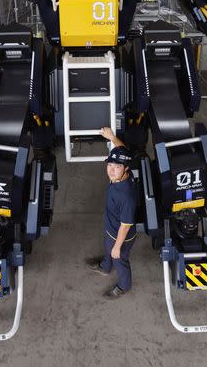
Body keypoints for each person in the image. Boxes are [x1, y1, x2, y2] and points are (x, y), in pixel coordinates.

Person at [85, 126, 138, 299]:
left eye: (116, 167)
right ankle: (105, 267)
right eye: (109, 165)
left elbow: (125, 226)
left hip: (120, 235)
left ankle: (124, 285)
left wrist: (117, 246)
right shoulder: (120, 173)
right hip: (111, 228)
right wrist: (112, 137)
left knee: (119, 259)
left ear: (126, 169)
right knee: (108, 248)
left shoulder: (127, 196)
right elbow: (121, 150)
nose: (111, 170)